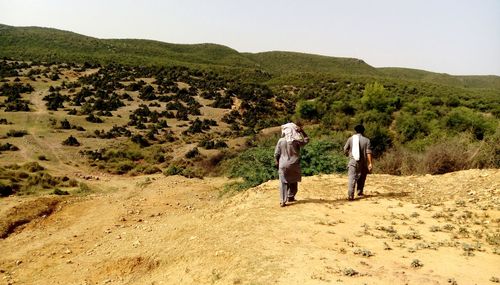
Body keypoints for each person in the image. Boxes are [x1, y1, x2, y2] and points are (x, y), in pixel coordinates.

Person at [274, 122, 309, 207]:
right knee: (294, 180)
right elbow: (307, 139)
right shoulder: (296, 141)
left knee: (283, 182)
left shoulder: (281, 141)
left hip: (283, 164)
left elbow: (276, 154)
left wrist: (277, 162)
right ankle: (291, 196)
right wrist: (302, 131)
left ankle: (283, 201)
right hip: (294, 164)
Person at [343, 124, 373, 200]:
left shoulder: (350, 139)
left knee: (351, 178)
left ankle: (350, 195)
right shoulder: (367, 140)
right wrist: (370, 163)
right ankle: (359, 192)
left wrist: (348, 154)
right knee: (362, 177)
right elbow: (368, 152)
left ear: (355, 131)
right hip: (363, 162)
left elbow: (345, 149)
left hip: (353, 161)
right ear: (363, 131)